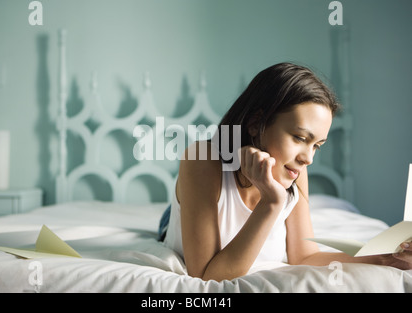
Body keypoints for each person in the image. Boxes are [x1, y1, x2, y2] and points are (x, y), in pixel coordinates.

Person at [159, 62, 412, 281]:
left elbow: (305, 254)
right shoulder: (201, 159)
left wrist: (385, 258)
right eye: (299, 137)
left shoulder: (296, 169)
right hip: (183, 212)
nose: (308, 158)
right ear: (256, 123)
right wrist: (272, 202)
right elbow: (208, 277)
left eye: (317, 146)